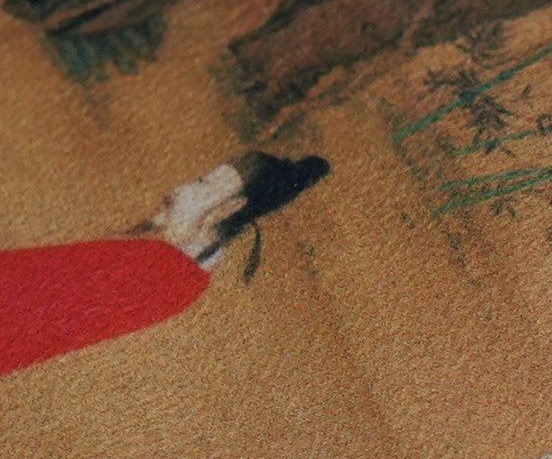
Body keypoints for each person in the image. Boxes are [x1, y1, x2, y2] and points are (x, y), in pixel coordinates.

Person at [0, 150, 330, 376]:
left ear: (226, 209)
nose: (179, 189)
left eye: (202, 183)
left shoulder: (155, 267)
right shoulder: (180, 273)